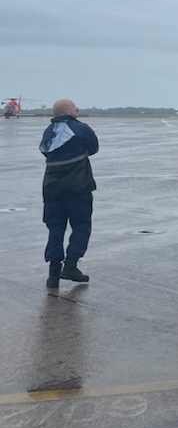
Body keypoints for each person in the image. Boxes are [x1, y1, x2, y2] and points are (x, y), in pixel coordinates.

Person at [39, 98, 98, 288]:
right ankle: (71, 265)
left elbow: (46, 151)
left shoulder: (49, 131)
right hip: (78, 188)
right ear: (67, 110)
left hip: (52, 188)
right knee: (81, 226)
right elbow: (94, 147)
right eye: (74, 106)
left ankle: (53, 273)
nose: (77, 108)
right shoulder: (80, 129)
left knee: (55, 228)